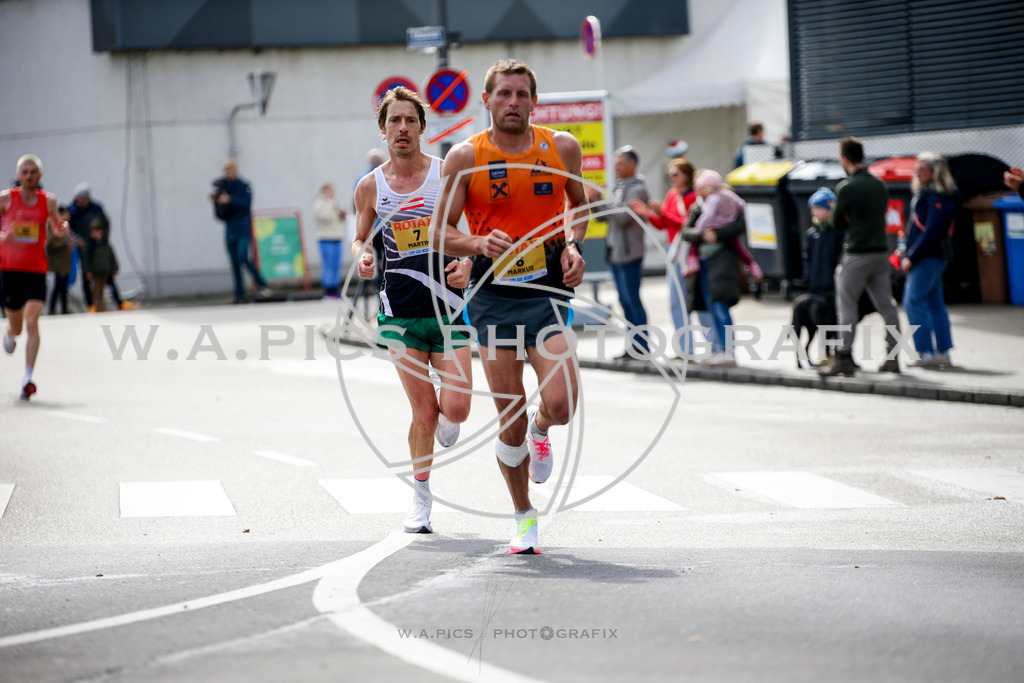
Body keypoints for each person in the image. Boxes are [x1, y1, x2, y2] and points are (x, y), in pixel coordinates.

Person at [437, 58, 589, 554]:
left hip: (545, 293)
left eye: (522, 94)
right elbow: (440, 232)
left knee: (562, 403)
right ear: (486, 101)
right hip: (493, 300)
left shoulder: (560, 147)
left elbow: (579, 205)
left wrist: (573, 245)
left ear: (534, 100)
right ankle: (524, 515)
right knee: (510, 416)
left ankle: (544, 430)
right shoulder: (465, 157)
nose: (513, 103)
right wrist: (478, 245)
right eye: (503, 94)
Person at [352, 86, 473, 535]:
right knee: (424, 413)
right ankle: (420, 498)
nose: (402, 128)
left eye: (410, 120)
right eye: (394, 121)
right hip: (400, 313)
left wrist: (468, 262)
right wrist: (362, 256)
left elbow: (474, 229)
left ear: (422, 127)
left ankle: (449, 414)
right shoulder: (371, 186)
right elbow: (361, 237)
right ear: (382, 129)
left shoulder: (448, 175)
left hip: (449, 309)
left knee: (455, 410)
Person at [818, 136, 902, 376]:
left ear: (844, 159)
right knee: (887, 306)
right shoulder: (879, 185)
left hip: (856, 253)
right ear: (862, 157)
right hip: (880, 252)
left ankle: (844, 357)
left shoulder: (847, 187)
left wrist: (845, 216)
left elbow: (836, 222)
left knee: (846, 305)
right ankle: (894, 356)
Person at [1, 154, 71, 399]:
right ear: (19, 175)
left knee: (32, 320)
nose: (29, 176)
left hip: (36, 270)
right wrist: (3, 237)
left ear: (40, 176)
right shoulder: (5, 199)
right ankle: (9, 333)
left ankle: (27, 378)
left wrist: (62, 231)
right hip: (10, 270)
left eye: (33, 172)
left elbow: (57, 229)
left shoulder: (48, 201)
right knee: (18, 326)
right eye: (25, 172)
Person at [629, 158, 713, 353]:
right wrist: (649, 213)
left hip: (691, 251)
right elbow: (663, 225)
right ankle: (685, 349)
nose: (672, 178)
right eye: (670, 175)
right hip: (674, 251)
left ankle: (714, 346)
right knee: (676, 302)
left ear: (687, 175)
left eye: (676, 174)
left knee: (699, 299)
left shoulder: (694, 197)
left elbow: (686, 225)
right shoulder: (672, 195)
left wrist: (662, 213)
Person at [679, 177, 749, 368]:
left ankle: (728, 350)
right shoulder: (698, 206)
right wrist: (702, 235)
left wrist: (717, 234)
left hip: (723, 262)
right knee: (709, 306)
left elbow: (739, 226)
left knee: (720, 306)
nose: (697, 190)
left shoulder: (727, 201)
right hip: (703, 263)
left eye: (699, 187)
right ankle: (718, 349)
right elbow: (686, 231)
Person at [900, 152, 957, 368]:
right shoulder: (934, 195)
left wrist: (911, 256)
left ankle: (926, 353)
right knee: (934, 303)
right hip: (933, 257)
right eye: (916, 168)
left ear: (935, 173)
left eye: (921, 169)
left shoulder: (936, 197)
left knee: (913, 301)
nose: (916, 172)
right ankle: (942, 352)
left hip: (927, 257)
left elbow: (932, 231)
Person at [607, 145, 651, 359]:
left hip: (630, 253)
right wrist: (597, 201)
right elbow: (606, 216)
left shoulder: (638, 189)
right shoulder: (620, 186)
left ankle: (641, 346)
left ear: (632, 165)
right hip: (616, 253)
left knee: (633, 300)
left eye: (619, 164)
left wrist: (603, 201)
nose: (616, 168)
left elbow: (622, 218)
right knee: (624, 301)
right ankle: (632, 347)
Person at [211, 159, 271, 304]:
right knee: (234, 263)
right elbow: (220, 215)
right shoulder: (223, 188)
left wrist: (229, 200)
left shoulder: (244, 186)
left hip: (243, 228)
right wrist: (217, 203)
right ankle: (239, 295)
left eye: (230, 170)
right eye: (225, 171)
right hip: (230, 230)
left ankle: (261, 282)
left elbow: (246, 204)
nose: (227, 173)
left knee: (242, 257)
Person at [67, 183, 126, 311]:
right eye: (79, 199)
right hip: (84, 248)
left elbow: (106, 223)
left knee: (107, 276)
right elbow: (68, 228)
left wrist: (103, 238)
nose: (81, 201)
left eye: (83, 198)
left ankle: (119, 303)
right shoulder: (72, 210)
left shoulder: (96, 208)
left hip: (98, 246)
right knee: (87, 275)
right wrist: (77, 240)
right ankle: (91, 305)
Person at [313, 183, 347, 299]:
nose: (331, 194)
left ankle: (335, 288)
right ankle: (328, 289)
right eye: (329, 192)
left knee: (336, 264)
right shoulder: (320, 204)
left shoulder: (335, 202)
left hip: (337, 236)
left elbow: (340, 218)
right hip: (325, 238)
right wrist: (329, 204)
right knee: (328, 264)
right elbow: (325, 217)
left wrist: (342, 214)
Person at [80, 218, 120, 313]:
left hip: (105, 271)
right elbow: (85, 259)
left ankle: (103, 307)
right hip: (95, 272)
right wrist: (88, 271)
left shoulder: (105, 244)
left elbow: (111, 257)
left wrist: (115, 268)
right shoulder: (89, 245)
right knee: (96, 291)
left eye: (97, 231)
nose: (95, 234)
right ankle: (98, 307)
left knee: (103, 289)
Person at [46, 205, 73, 315]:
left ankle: (64, 308)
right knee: (58, 287)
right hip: (58, 263)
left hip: (65, 262)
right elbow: (50, 243)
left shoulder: (65, 226)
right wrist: (64, 244)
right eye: (66, 213)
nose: (68, 216)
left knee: (63, 287)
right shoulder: (54, 225)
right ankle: (53, 309)